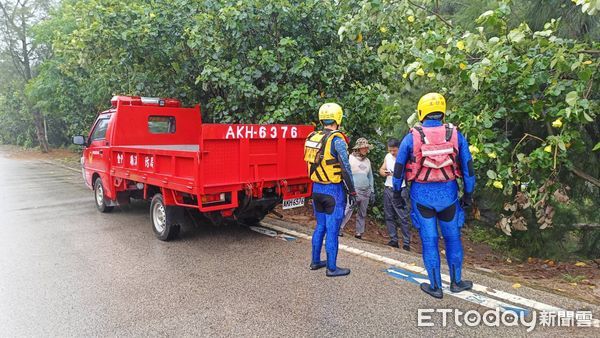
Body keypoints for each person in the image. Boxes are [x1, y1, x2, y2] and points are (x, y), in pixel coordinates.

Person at [392, 92, 476, 299]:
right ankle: (456, 282)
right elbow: (468, 168)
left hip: (422, 198)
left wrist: (396, 192)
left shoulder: (412, 136)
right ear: (442, 112)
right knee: (453, 238)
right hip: (449, 197)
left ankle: (435, 287)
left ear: (421, 112)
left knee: (429, 241)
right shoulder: (455, 134)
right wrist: (469, 194)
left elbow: (399, 168)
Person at [303, 102, 357, 277]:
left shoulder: (312, 136)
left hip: (316, 189)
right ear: (338, 118)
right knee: (332, 230)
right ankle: (332, 268)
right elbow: (346, 168)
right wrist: (352, 192)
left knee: (320, 226)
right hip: (333, 191)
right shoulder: (337, 139)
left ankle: (315, 261)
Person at [379, 138, 411, 251]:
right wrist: (384, 172)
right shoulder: (388, 157)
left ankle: (406, 242)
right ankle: (394, 239)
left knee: (402, 216)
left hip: (401, 190)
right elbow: (381, 169)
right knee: (389, 215)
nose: (392, 152)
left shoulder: (404, 157)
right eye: (390, 150)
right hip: (388, 188)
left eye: (394, 150)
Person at [340, 138, 375, 239]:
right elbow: (346, 173)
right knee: (348, 209)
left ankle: (359, 232)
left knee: (362, 212)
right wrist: (348, 189)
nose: (366, 149)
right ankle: (339, 228)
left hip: (366, 190)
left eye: (366, 148)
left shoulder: (367, 161)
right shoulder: (350, 158)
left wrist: (372, 190)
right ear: (358, 148)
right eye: (364, 148)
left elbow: (370, 176)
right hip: (354, 189)